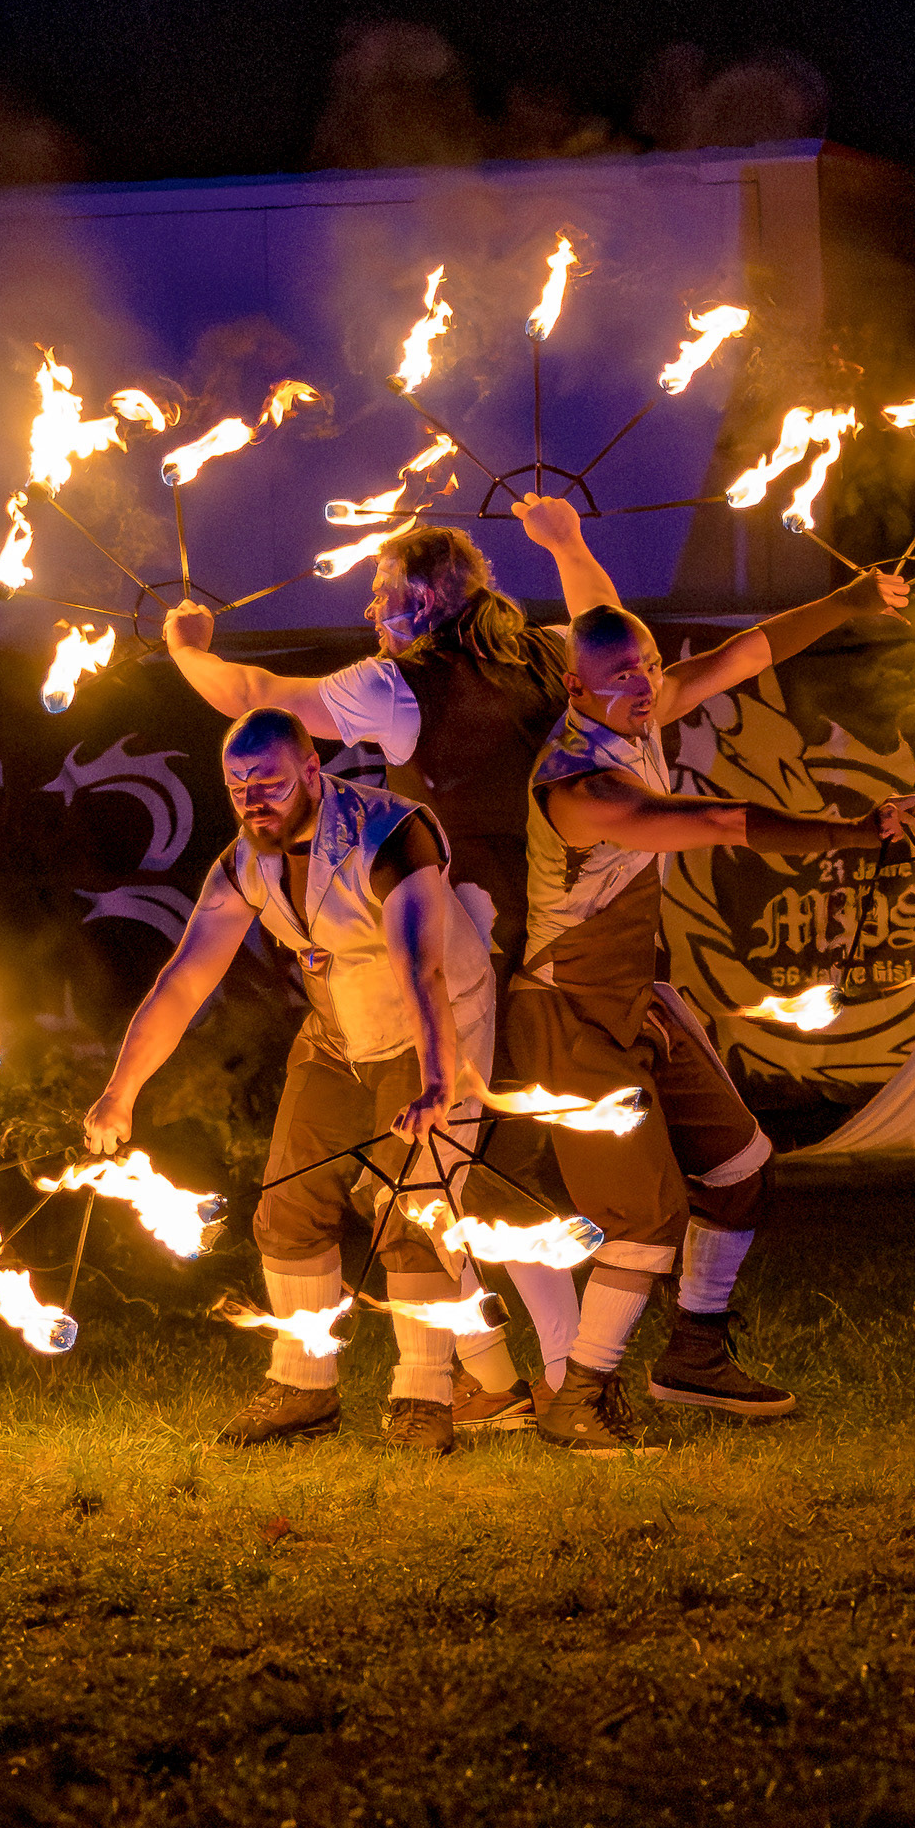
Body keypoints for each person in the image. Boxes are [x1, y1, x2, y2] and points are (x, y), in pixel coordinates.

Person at [158, 499, 614, 1425]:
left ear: (422, 603)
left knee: (446, 1182)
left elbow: (253, 698)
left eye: (382, 595)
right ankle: (508, 1383)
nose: (372, 612)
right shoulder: (544, 654)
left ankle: (553, 1382)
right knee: (463, 1174)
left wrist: (185, 650)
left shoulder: (398, 687)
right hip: (556, 926)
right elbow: (610, 629)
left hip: (470, 939)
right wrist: (569, 545)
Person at [515, 587, 915, 1457]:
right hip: (567, 1015)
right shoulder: (579, 785)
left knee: (741, 1168)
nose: (644, 686)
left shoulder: (642, 713)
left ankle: (694, 1355)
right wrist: (850, 835)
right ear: (576, 689)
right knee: (643, 1216)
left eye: (651, 668)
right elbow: (720, 821)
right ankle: (578, 1397)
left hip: (636, 998)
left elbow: (751, 649)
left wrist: (854, 599)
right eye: (621, 676)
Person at [84, 707, 496, 1455]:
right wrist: (121, 1093)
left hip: (431, 1028)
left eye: (268, 782)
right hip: (337, 1036)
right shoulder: (243, 862)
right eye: (237, 785)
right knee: (287, 1206)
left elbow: (423, 969)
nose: (252, 800)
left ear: (312, 771)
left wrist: (439, 1081)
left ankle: (424, 1398)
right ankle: (305, 1389)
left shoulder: (391, 834)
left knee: (412, 1209)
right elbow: (184, 980)